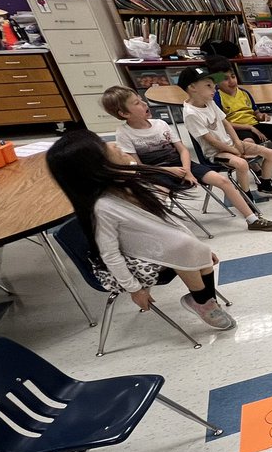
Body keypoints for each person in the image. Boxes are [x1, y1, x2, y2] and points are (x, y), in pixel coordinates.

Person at [46, 130, 235, 330]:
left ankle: (205, 301)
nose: (113, 144)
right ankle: (202, 302)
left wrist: (200, 248)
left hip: (157, 245)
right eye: (103, 146)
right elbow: (110, 255)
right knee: (182, 248)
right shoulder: (103, 207)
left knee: (193, 250)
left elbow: (166, 220)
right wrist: (134, 289)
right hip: (130, 264)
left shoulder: (128, 182)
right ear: (95, 165)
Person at [100, 85, 272, 232]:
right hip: (155, 171)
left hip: (181, 164)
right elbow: (138, 166)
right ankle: (162, 231)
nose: (144, 103)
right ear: (124, 113)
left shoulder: (160, 124)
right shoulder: (124, 133)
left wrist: (186, 170)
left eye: (141, 100)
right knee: (159, 195)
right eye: (136, 103)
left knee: (222, 181)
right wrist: (170, 171)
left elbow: (183, 150)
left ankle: (252, 219)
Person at [179, 66, 272, 200]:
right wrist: (234, 151)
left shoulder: (209, 102)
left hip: (230, 144)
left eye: (213, 85)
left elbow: (226, 123)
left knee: (270, 153)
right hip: (216, 152)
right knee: (242, 164)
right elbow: (210, 141)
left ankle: (265, 185)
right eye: (208, 85)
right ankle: (246, 196)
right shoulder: (190, 114)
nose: (214, 89)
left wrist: (236, 142)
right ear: (192, 88)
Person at [204, 55, 272, 180]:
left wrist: (261, 116)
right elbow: (223, 123)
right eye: (225, 79)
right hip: (237, 129)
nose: (232, 81)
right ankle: (258, 171)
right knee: (248, 144)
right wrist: (249, 127)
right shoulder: (217, 97)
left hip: (254, 125)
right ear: (216, 81)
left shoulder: (244, 93)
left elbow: (255, 112)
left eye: (233, 77)